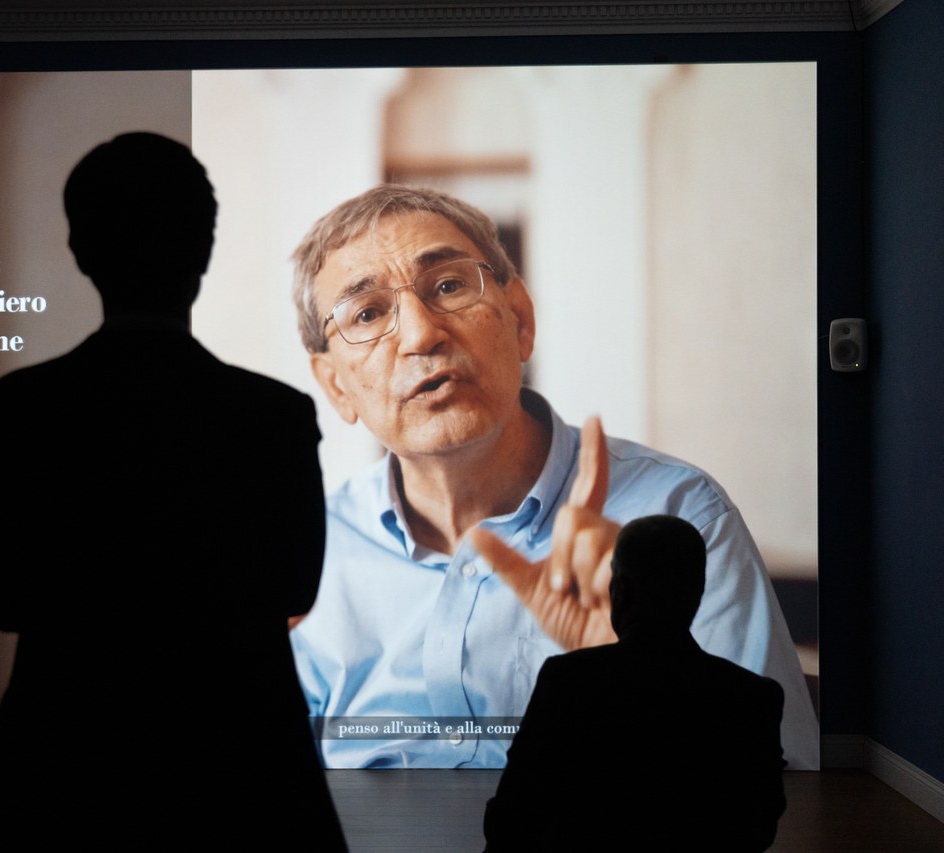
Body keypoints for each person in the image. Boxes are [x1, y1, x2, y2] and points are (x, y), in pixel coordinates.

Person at [287, 184, 818, 770]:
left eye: (449, 286)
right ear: (335, 385)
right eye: (368, 313)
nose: (420, 335)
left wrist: (639, 672)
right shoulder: (312, 548)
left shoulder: (677, 516)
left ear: (520, 320)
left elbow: (784, 782)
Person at [0, 132, 346, 850]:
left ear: (81, 250)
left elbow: (9, 597)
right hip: (245, 772)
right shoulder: (273, 416)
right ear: (203, 250)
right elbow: (296, 585)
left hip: (59, 772)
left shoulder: (15, 411)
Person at [482, 514, 787, 852]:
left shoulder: (569, 681)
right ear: (698, 591)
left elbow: (512, 818)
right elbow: (759, 829)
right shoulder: (753, 697)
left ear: (620, 590)